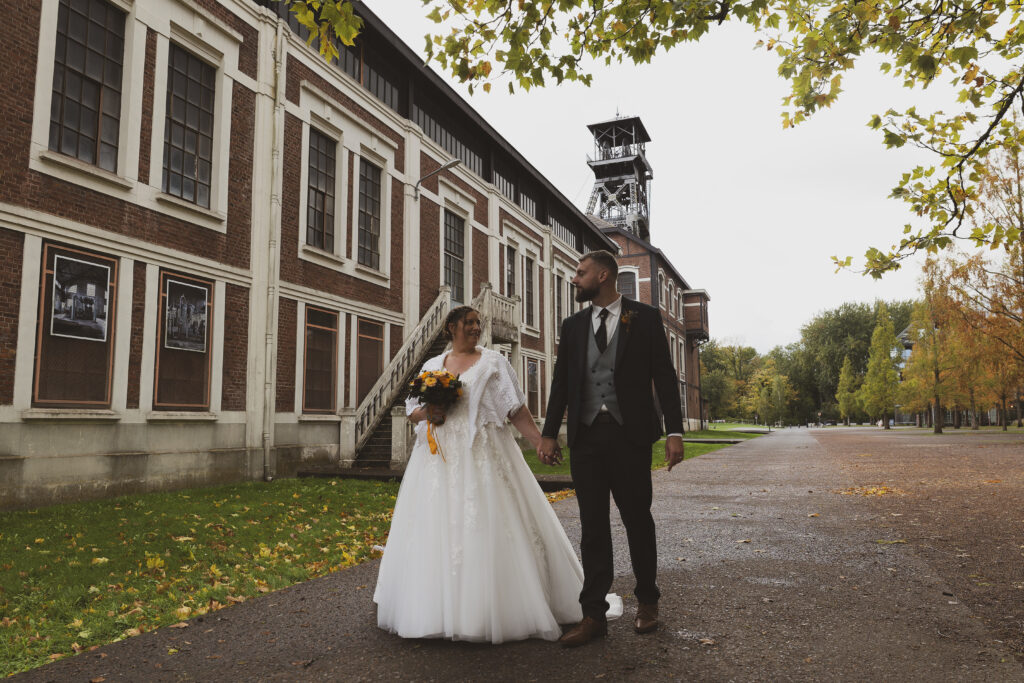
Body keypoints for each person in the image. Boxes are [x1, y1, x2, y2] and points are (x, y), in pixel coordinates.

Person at [374, 306, 587, 643]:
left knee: (487, 524)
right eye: (469, 323)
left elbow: (515, 408)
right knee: (435, 527)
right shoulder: (431, 366)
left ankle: (493, 608)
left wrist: (539, 443)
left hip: (482, 453)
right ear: (451, 327)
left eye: (478, 323)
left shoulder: (493, 363)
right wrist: (430, 411)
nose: (475, 328)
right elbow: (412, 410)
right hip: (437, 460)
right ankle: (435, 607)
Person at [539, 250, 686, 647]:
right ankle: (593, 617)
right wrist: (549, 433)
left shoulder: (646, 318)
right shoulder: (572, 326)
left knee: (638, 520)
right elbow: (561, 384)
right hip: (586, 439)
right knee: (592, 527)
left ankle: (648, 602)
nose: (575, 278)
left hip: (630, 436)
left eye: (580, 272)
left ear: (603, 276)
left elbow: (664, 378)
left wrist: (675, 431)